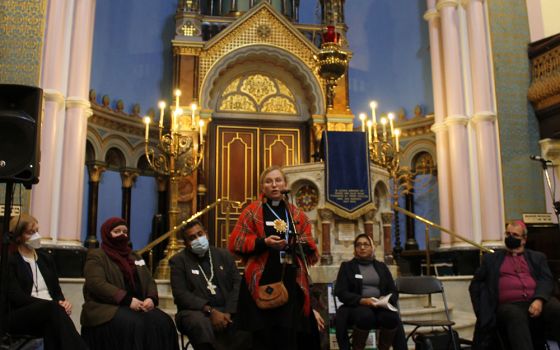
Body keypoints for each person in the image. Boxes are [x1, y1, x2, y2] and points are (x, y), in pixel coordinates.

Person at [228, 165, 320, 350]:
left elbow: (310, 246)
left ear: (285, 184)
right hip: (262, 275)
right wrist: (264, 242)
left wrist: (293, 243)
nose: (274, 185)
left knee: (288, 333)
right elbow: (236, 242)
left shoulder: (297, 214)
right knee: (263, 335)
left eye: (278, 180)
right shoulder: (252, 211)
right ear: (263, 187)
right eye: (268, 181)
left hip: (290, 276)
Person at [80, 217, 179, 350]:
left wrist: (151, 298)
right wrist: (127, 300)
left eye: (125, 232)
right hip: (106, 307)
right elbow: (96, 283)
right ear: (107, 234)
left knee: (163, 321)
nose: (122, 235)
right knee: (136, 324)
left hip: (138, 305)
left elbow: (149, 280)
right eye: (117, 231)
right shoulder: (97, 255)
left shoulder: (135, 256)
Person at [469, 220, 560, 350]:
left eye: (515, 235)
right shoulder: (491, 259)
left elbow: (546, 279)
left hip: (536, 300)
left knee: (556, 308)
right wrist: (482, 310)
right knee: (515, 316)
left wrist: (539, 299)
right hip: (508, 305)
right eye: (508, 234)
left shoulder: (537, 257)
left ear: (524, 239)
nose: (510, 237)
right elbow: (475, 284)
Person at [6, 213, 88, 350]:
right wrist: (52, 304)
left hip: (50, 311)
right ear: (18, 236)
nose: (36, 236)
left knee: (55, 318)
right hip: (21, 313)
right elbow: (17, 297)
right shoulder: (11, 261)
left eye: (37, 231)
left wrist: (62, 301)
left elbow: (56, 291)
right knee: (53, 310)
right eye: (30, 233)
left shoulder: (46, 259)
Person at [170, 219, 249, 350]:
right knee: (199, 323)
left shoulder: (223, 255)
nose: (198, 239)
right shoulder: (179, 261)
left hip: (226, 309)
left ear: (206, 234)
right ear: (186, 243)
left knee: (249, 318)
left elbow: (238, 284)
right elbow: (180, 294)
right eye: (192, 238)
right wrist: (210, 311)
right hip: (196, 311)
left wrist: (229, 312)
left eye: (200, 234)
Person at [334, 233, 407, 350]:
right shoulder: (347, 266)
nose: (362, 247)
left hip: (380, 306)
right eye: (358, 245)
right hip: (356, 307)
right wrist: (362, 300)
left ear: (372, 247)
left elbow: (393, 290)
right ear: (355, 249)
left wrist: (385, 299)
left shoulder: (381, 266)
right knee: (366, 316)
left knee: (392, 318)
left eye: (365, 244)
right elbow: (341, 292)